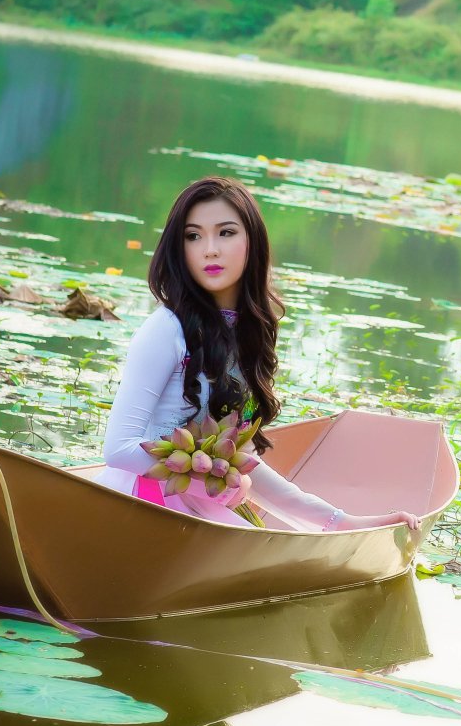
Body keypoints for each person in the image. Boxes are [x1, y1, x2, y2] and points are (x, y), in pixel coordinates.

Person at [99, 174, 421, 532]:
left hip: (202, 506)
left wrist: (342, 522)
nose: (210, 249)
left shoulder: (246, 333)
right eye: (193, 236)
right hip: (146, 504)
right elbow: (118, 450)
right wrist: (214, 487)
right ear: (179, 248)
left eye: (226, 232)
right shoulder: (166, 328)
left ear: (253, 242)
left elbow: (244, 463)